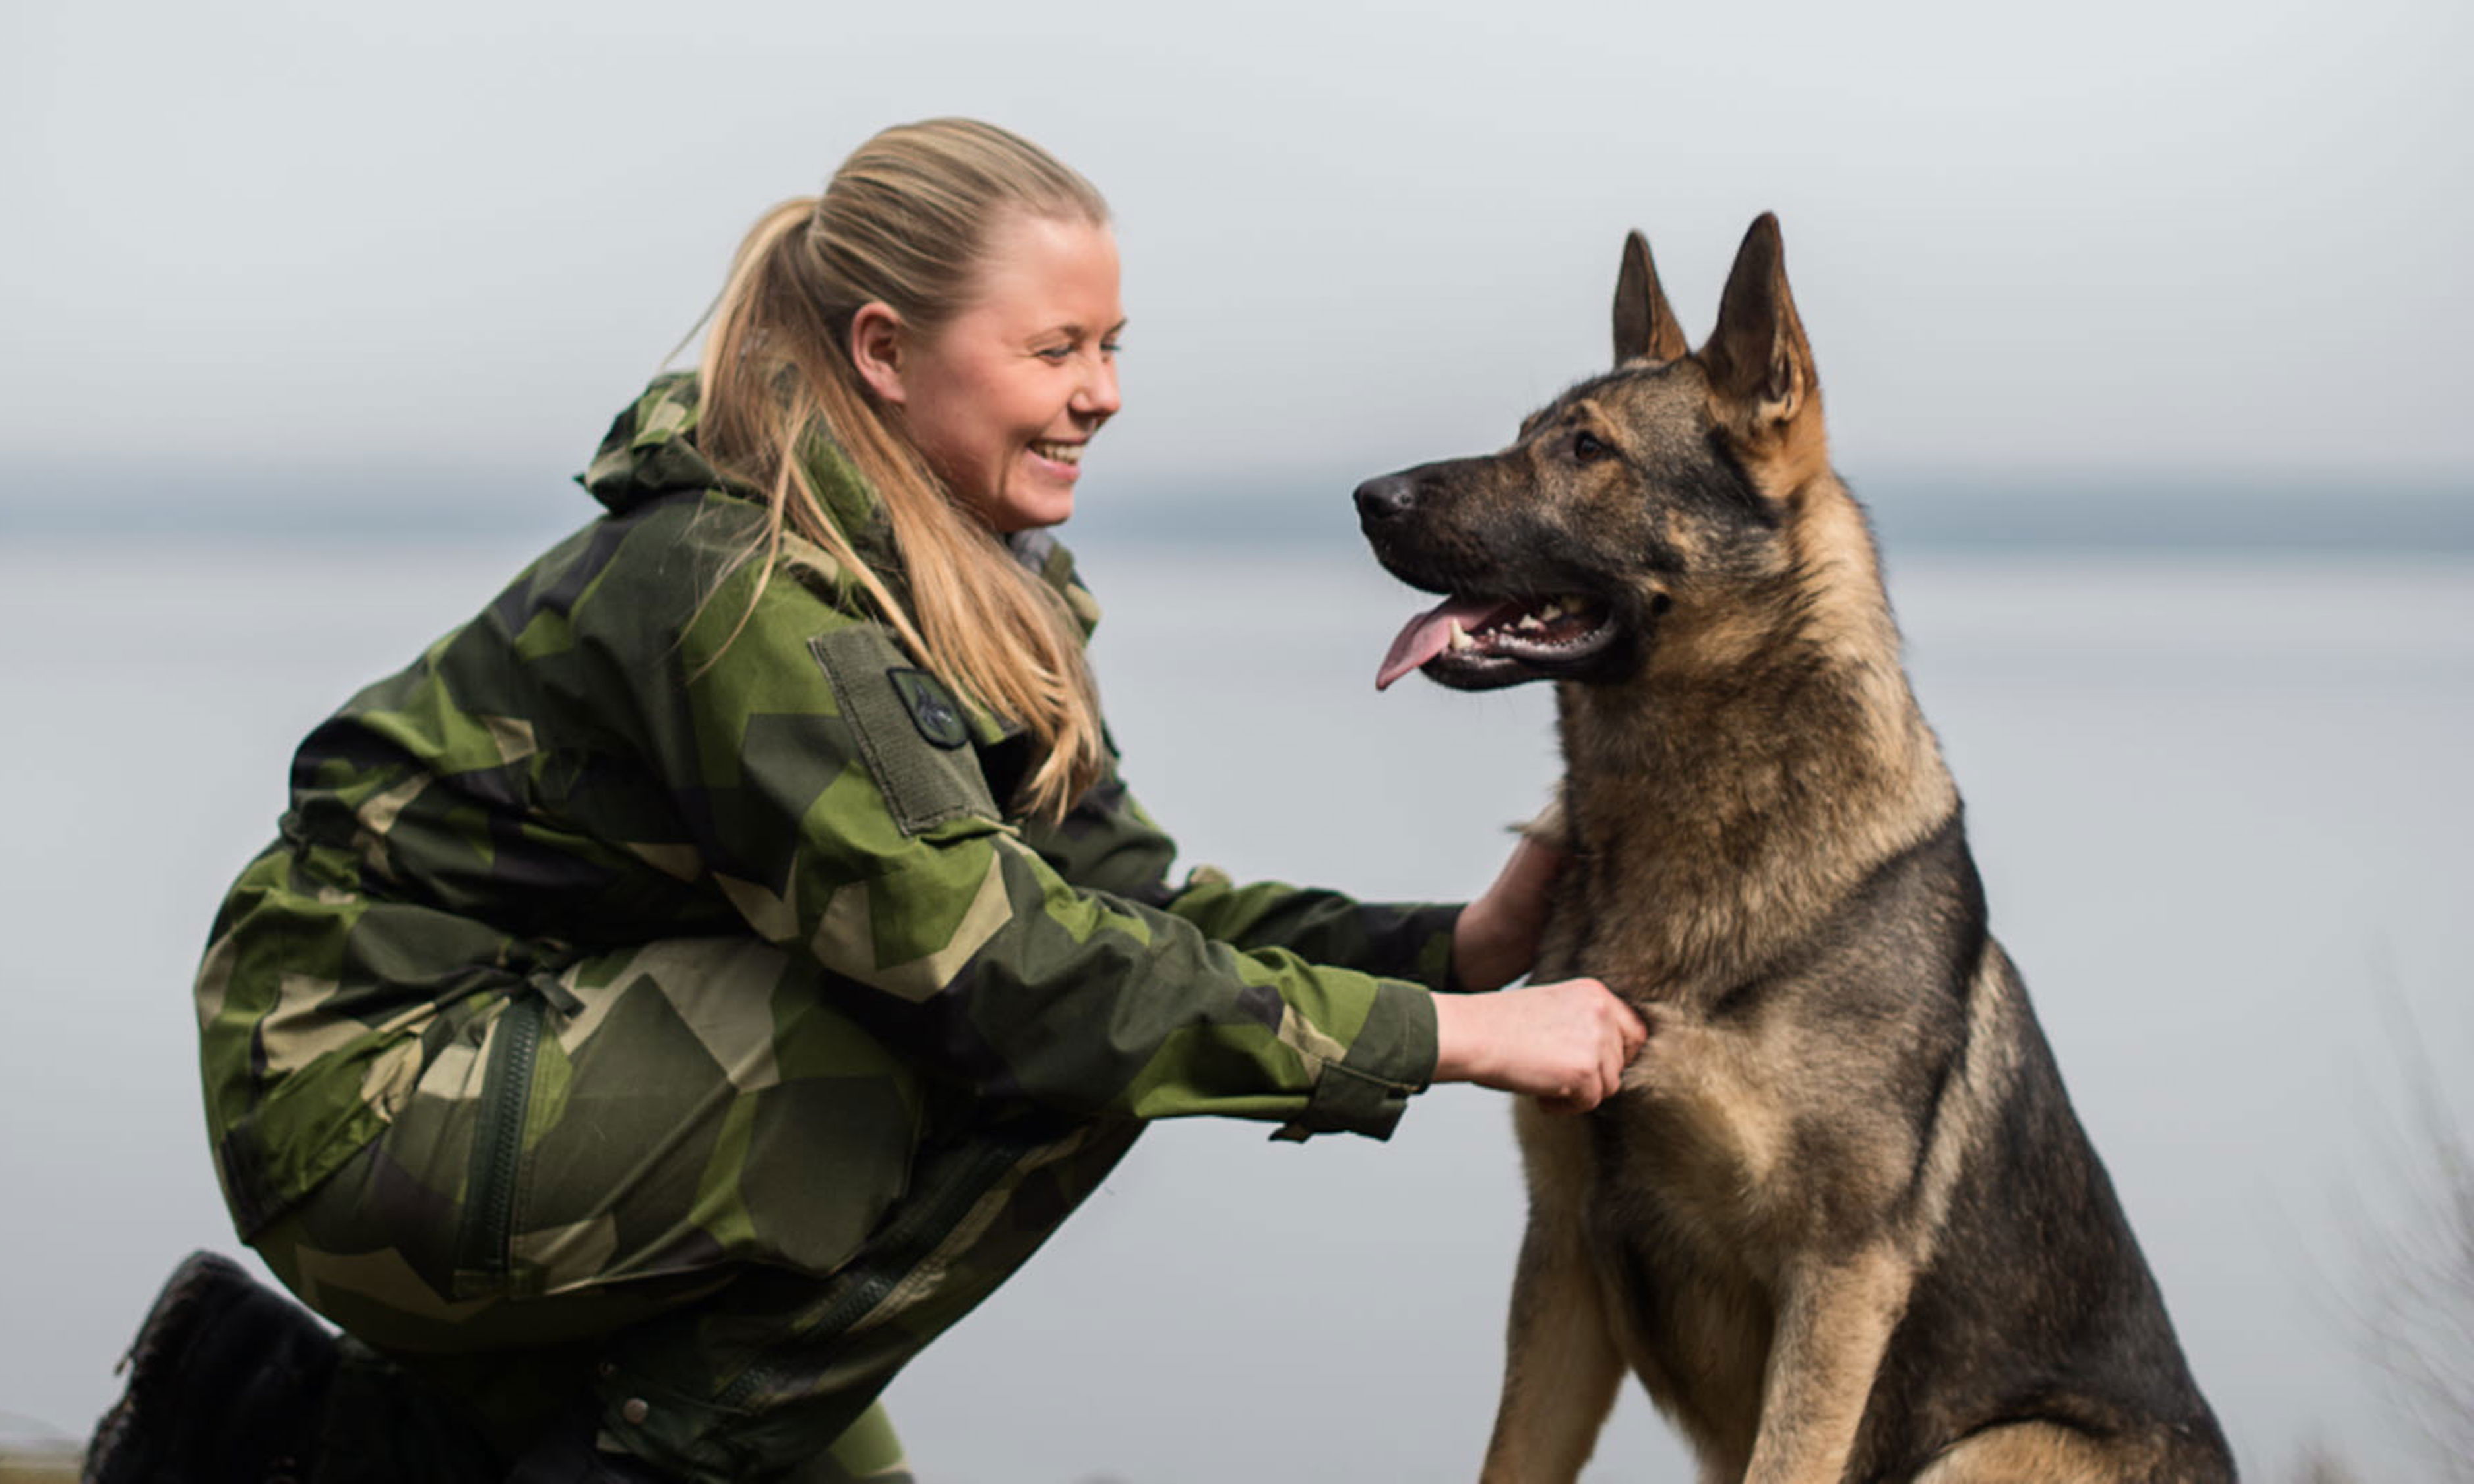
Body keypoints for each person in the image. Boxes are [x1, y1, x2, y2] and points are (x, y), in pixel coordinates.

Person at [84, 117, 1648, 1484]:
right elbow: (1014, 984)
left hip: (559, 1072)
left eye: (1113, 347)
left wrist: (1451, 946)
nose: (1102, 395)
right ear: (886, 354)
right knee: (1042, 1049)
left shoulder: (976, 582)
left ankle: (259, 1417)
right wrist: (1451, 1047)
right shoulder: (746, 587)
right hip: (365, 1094)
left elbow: (1130, 915)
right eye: (1054, 352)